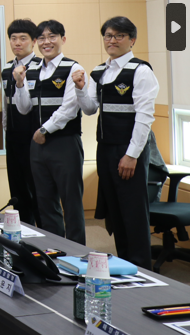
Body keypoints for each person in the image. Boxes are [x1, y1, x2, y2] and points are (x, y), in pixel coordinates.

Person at [74, 16, 159, 269]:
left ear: (132, 40)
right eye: (108, 36)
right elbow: (90, 109)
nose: (112, 40)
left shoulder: (141, 71)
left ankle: (142, 269)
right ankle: (125, 266)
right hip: (105, 149)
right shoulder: (99, 71)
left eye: (119, 36)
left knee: (133, 214)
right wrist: (80, 88)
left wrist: (131, 155)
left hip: (129, 150)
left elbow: (144, 117)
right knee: (116, 212)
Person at [13, 20, 86, 244]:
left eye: (52, 36)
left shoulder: (73, 68)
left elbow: (70, 108)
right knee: (45, 202)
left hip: (64, 143)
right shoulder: (32, 70)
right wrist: (19, 84)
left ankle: (76, 252)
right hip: (38, 146)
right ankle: (53, 250)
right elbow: (24, 108)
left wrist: (45, 129)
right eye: (42, 38)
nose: (47, 42)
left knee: (71, 202)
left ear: (63, 39)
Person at [0, 19, 42, 226]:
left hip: (34, 137)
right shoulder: (7, 69)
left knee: (36, 189)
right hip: (13, 137)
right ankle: (22, 230)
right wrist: (5, 128)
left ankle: (43, 234)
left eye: (23, 38)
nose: (17, 43)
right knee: (17, 190)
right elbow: (5, 103)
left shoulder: (41, 67)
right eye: (13, 38)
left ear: (33, 41)